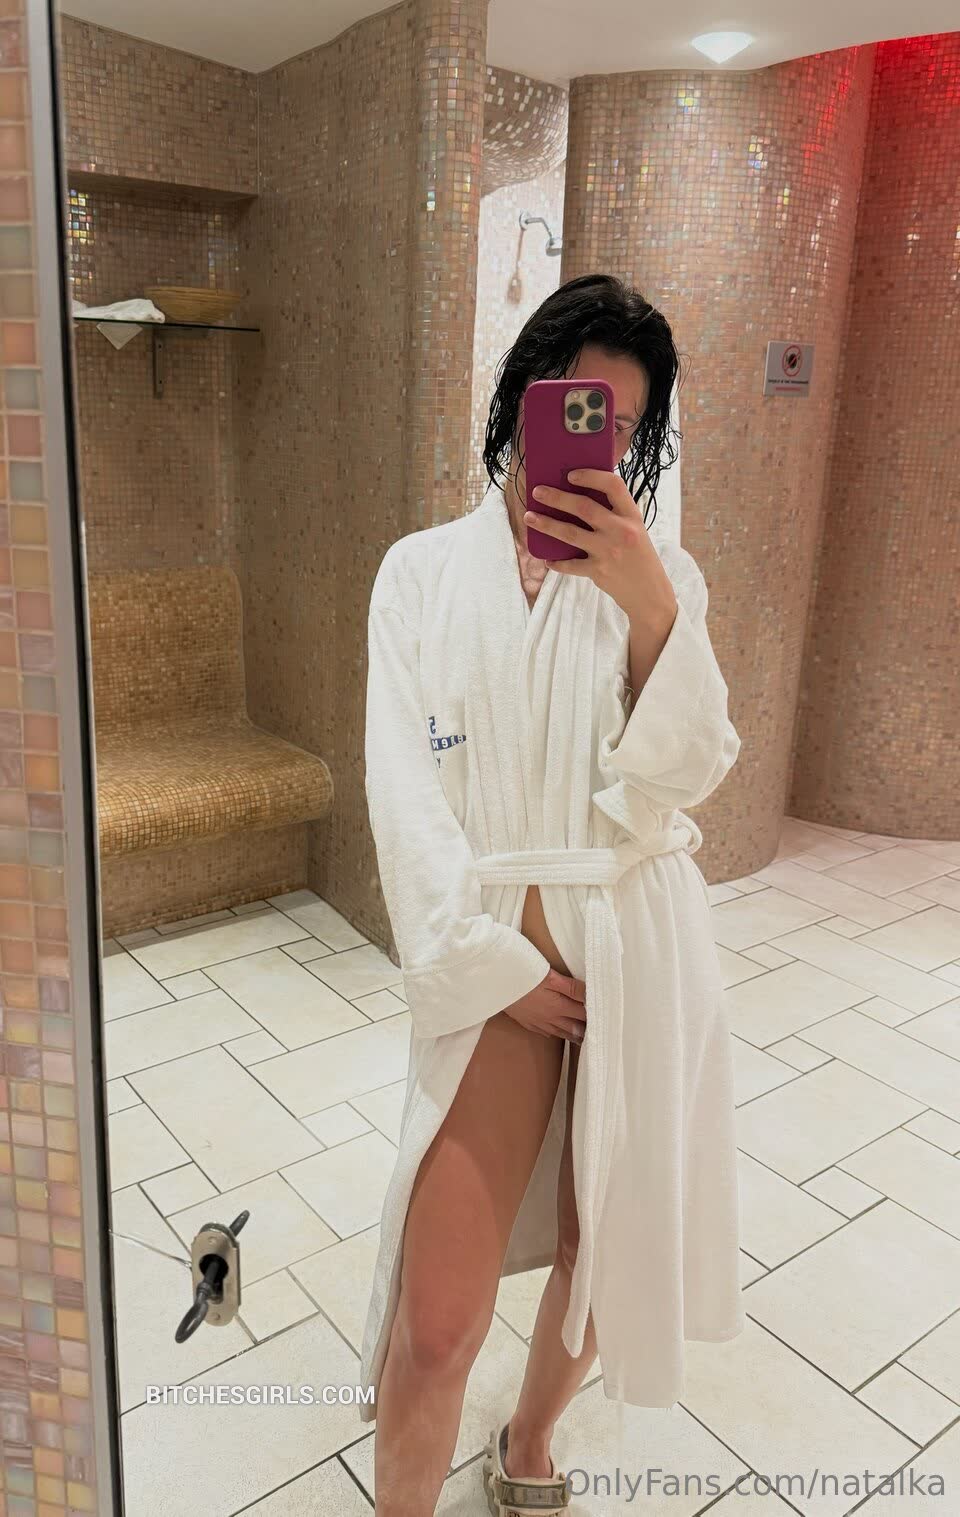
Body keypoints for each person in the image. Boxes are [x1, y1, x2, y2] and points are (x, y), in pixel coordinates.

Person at [359, 273, 745, 1517]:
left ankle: (528, 1438)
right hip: (504, 969)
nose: (591, 437)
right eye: (569, 403)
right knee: (437, 1323)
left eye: (618, 425)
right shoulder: (421, 575)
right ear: (521, 398)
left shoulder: (660, 575)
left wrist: (647, 602)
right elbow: (403, 795)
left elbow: (689, 773)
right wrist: (497, 963)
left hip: (638, 950)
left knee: (603, 1250)